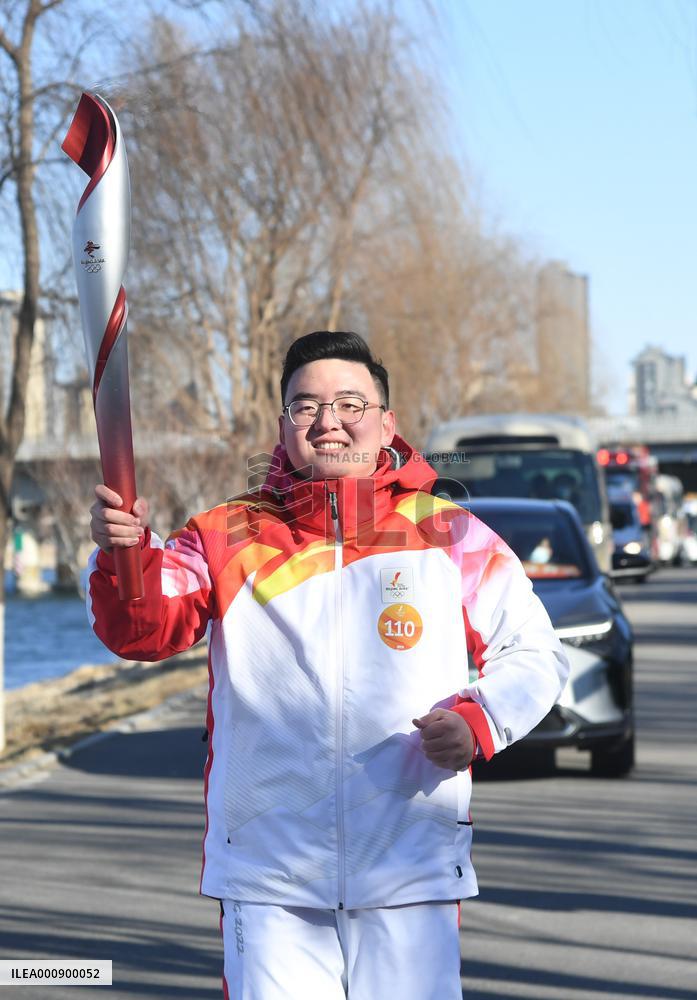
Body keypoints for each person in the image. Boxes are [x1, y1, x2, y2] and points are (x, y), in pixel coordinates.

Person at [87, 331, 569, 1000]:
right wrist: (125, 557)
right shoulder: (226, 535)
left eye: (350, 402)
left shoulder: (449, 533)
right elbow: (142, 630)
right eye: (305, 405)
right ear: (283, 425)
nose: (328, 421)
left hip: (408, 861)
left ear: (386, 422)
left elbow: (534, 650)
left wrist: (479, 720)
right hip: (269, 871)